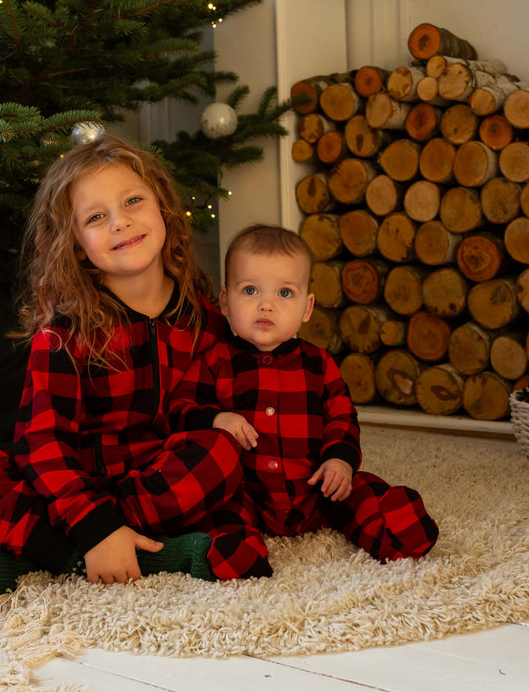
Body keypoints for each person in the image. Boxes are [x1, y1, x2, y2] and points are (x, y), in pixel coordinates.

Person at [0, 135, 258, 598]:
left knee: (221, 454)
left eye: (133, 201)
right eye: (96, 217)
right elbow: (43, 443)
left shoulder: (200, 316)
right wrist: (92, 523)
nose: (121, 222)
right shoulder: (64, 331)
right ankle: (107, 550)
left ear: (163, 210)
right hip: (64, 486)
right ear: (77, 246)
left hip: (151, 483)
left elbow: (203, 408)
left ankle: (47, 552)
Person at [171, 224, 439, 574]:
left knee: (360, 490)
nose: (266, 304)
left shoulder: (319, 363)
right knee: (223, 518)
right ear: (225, 301)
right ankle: (239, 552)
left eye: (285, 293)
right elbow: (180, 409)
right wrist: (215, 419)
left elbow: (342, 417)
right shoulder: (215, 361)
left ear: (307, 307)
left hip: (316, 488)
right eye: (250, 290)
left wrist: (340, 461)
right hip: (248, 492)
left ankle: (394, 529)